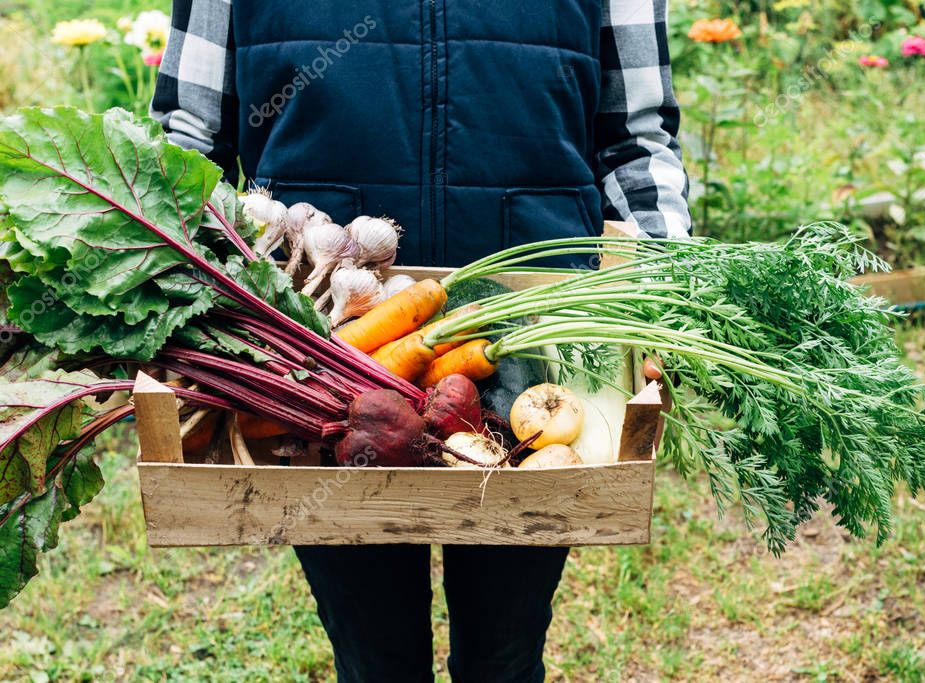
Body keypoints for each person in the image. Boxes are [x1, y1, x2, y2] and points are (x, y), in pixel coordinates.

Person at [153, 0, 690, 680]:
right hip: (318, 349)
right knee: (373, 653)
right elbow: (189, 134)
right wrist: (167, 286)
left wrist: (665, 291)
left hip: (538, 344)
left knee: (505, 649)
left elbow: (634, 141)